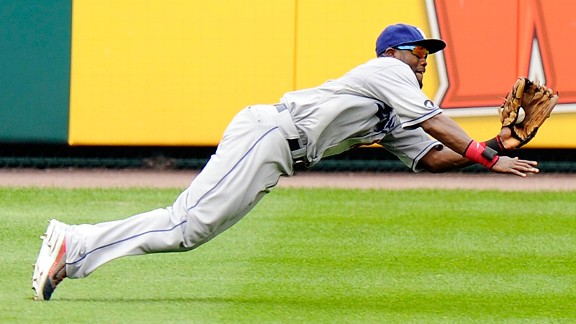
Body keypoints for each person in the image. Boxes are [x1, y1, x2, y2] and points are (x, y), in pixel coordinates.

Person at [32, 23, 540, 301]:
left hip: (275, 150)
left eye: (428, 52)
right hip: (271, 134)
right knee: (184, 225)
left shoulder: (395, 110)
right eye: (417, 50)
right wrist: (484, 155)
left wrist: (497, 143)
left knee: (189, 230)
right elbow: (436, 124)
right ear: (393, 53)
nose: (423, 58)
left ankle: (76, 247)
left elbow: (431, 158)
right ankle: (74, 245)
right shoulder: (387, 71)